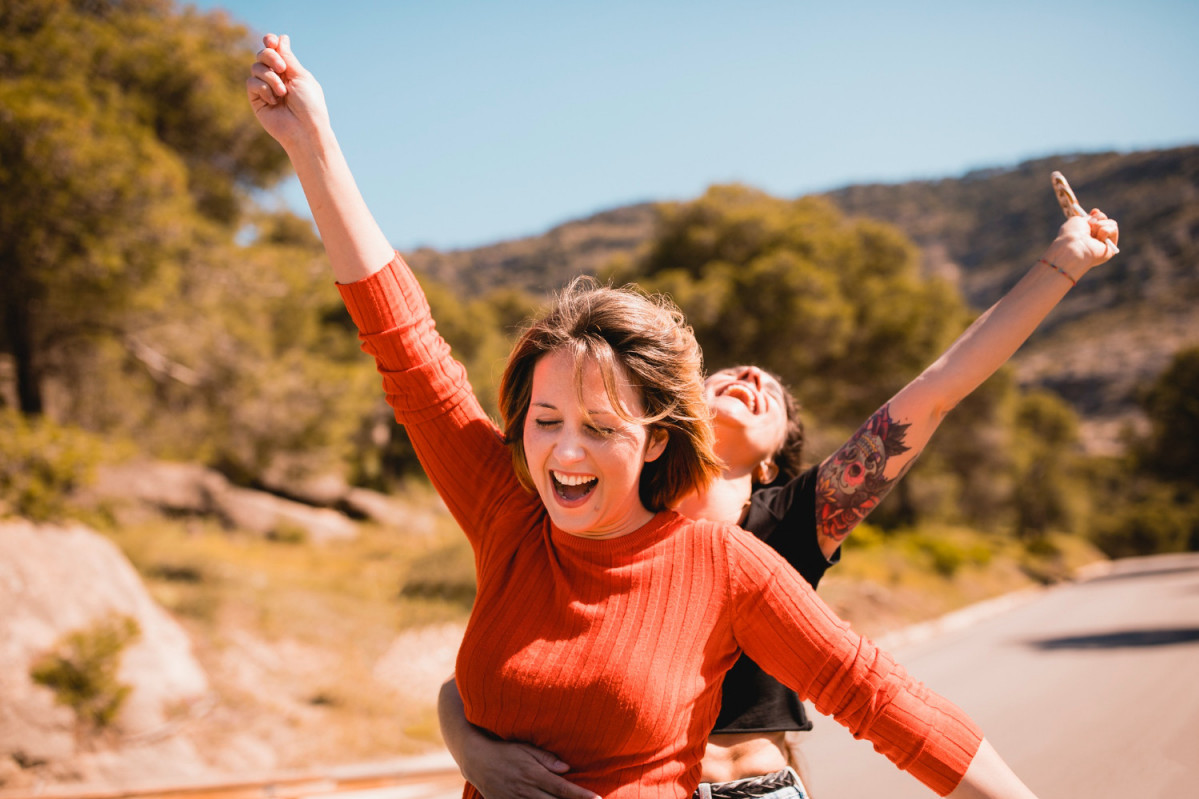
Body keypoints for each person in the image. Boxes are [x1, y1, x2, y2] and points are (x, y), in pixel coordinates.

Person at [246, 33, 1118, 799]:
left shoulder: (747, 548)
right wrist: (312, 141)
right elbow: (405, 346)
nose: (564, 447)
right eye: (545, 419)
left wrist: (1058, 268)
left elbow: (878, 693)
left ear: (654, 435)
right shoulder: (508, 514)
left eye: (598, 422)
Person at [435, 205, 1120, 799]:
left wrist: (1060, 265)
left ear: (772, 457)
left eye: (773, 397)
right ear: (661, 419)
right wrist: (468, 744)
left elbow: (938, 388)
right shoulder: (590, 512)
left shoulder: (794, 519)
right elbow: (496, 673)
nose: (753, 377)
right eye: (729, 374)